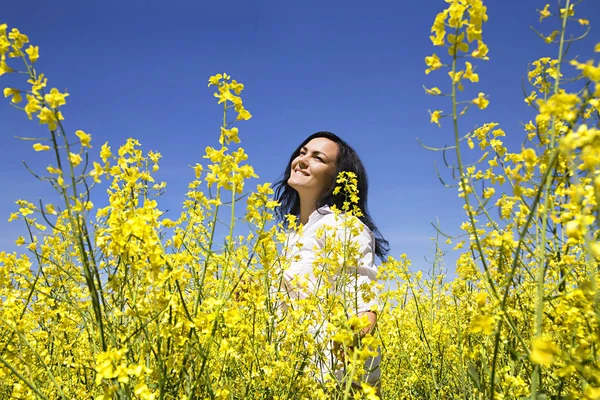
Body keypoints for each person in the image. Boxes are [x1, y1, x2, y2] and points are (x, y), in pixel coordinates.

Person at [273, 131, 389, 392]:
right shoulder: (293, 234)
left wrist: (356, 335)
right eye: (302, 152)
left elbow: (363, 293)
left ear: (336, 178)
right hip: (297, 372)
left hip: (334, 375)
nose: (302, 160)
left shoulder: (344, 225)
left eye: (318, 158)